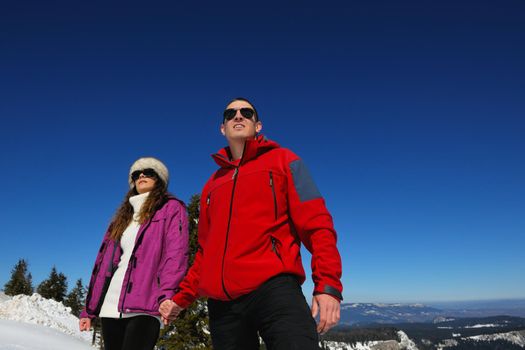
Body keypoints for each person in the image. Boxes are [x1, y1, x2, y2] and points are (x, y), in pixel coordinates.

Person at [159, 98, 343, 349]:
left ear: (258, 125)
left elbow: (318, 224)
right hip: (223, 306)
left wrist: (328, 285)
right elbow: (205, 252)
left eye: (246, 112)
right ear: (222, 128)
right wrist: (181, 299)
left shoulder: (286, 161)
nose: (238, 116)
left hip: (274, 290)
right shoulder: (212, 185)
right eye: (230, 113)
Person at [79, 157, 189, 350]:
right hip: (110, 307)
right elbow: (103, 265)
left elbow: (176, 255)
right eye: (137, 174)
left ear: (160, 180)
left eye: (149, 172)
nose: (142, 176)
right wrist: (90, 310)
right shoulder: (122, 219)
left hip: (145, 304)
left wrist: (167, 295)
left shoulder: (170, 209)